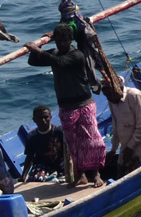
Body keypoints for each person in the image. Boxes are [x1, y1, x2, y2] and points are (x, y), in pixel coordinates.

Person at [25, 23, 105, 188]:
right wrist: (40, 43)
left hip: (84, 103)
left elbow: (60, 62)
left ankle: (96, 174)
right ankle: (81, 175)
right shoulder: (54, 53)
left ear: (71, 40)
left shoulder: (77, 55)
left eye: (64, 40)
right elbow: (32, 61)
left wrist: (37, 49)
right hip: (66, 106)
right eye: (58, 41)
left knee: (92, 141)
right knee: (73, 143)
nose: (61, 44)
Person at [104, 77, 141, 176]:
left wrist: (130, 148)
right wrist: (113, 149)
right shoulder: (112, 101)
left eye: (110, 94)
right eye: (106, 95)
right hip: (125, 148)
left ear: (118, 89)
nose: (109, 98)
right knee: (120, 173)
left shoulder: (135, 95)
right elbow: (116, 126)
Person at [20, 105, 66, 182]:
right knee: (36, 179)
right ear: (34, 120)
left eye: (46, 117)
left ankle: (55, 176)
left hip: (60, 163)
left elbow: (69, 151)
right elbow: (29, 157)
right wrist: (23, 175)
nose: (43, 120)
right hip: (42, 165)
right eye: (40, 118)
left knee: (63, 180)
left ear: (50, 118)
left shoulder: (59, 131)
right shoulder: (32, 136)